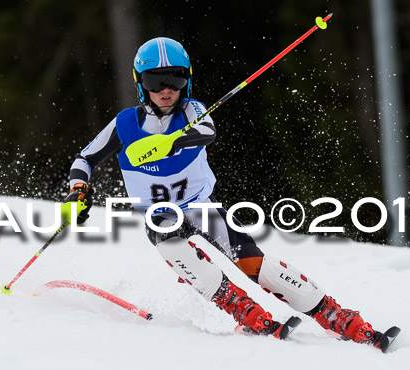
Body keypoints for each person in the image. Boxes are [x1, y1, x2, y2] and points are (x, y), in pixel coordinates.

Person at [65, 37, 382, 344]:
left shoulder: (192, 113)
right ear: (140, 83)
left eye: (175, 80)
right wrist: (77, 190)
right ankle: (244, 311)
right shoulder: (124, 125)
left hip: (201, 206)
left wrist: (170, 143)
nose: (166, 90)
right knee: (174, 249)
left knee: (255, 265)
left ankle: (336, 315)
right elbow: (85, 159)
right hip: (160, 215)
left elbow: (207, 130)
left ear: (186, 82)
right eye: (154, 81)